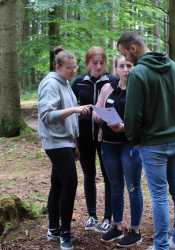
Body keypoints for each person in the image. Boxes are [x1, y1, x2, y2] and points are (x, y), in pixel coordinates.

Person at [117, 31, 175, 250]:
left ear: (133, 48)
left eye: (124, 54)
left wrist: (133, 137)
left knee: (159, 195)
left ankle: (161, 246)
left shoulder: (138, 73)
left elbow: (132, 115)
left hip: (153, 145)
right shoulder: (174, 67)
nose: (126, 61)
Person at [37, 47, 91, 250]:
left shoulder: (65, 83)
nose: (73, 71)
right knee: (70, 183)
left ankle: (53, 229)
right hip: (55, 142)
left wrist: (75, 144)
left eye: (75, 67)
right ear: (57, 66)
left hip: (66, 142)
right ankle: (65, 234)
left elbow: (70, 121)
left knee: (58, 184)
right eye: (69, 68)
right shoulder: (51, 84)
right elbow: (47, 115)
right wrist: (75, 109)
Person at [93, 55, 143, 248]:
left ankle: (135, 230)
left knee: (133, 186)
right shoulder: (108, 88)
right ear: (116, 69)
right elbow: (96, 113)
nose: (126, 69)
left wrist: (124, 126)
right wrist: (103, 117)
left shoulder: (138, 90)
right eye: (121, 66)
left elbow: (144, 120)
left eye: (129, 65)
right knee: (115, 186)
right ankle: (117, 224)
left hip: (130, 144)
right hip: (108, 143)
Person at [71, 46, 118, 233]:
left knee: (109, 177)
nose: (98, 66)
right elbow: (70, 109)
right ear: (88, 63)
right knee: (89, 176)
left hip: (107, 138)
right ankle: (92, 216)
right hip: (84, 138)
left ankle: (108, 217)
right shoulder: (78, 83)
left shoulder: (113, 82)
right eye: (94, 62)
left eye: (101, 62)